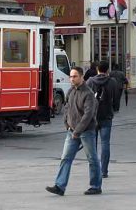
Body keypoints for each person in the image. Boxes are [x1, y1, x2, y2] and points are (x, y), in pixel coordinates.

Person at [46, 67, 102, 196]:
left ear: (82, 77)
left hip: (86, 132)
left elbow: (88, 115)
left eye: (75, 76)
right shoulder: (71, 91)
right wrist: (66, 122)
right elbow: (67, 107)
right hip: (71, 131)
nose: (72, 79)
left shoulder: (88, 94)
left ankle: (95, 186)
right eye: (71, 76)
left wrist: (78, 130)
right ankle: (60, 186)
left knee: (92, 159)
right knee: (65, 158)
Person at [86, 61, 118, 178]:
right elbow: (116, 97)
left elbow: (86, 98)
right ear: (107, 70)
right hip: (107, 116)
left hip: (92, 117)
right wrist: (114, 109)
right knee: (105, 143)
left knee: (92, 144)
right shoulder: (112, 82)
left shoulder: (90, 81)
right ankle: (104, 171)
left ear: (97, 69)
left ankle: (94, 169)